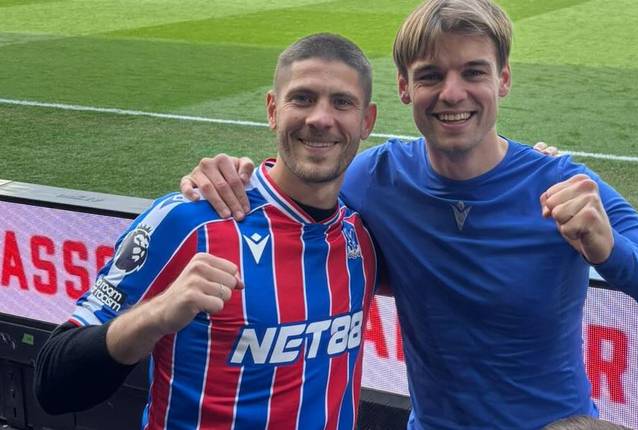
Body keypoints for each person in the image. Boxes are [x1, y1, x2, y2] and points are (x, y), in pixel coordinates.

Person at [181, 1, 638, 428]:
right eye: (430, 76)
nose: (452, 93)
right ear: (404, 88)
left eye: (473, 72)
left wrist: (612, 252)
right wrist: (224, 179)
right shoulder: (375, 177)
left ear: (503, 80)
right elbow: (297, 197)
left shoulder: (566, 186)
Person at [35, 33, 380, 429]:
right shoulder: (190, 221)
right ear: (273, 110)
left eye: (342, 102)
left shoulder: (362, 237)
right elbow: (53, 383)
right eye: (302, 98)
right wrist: (157, 314)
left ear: (366, 121)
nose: (320, 118)